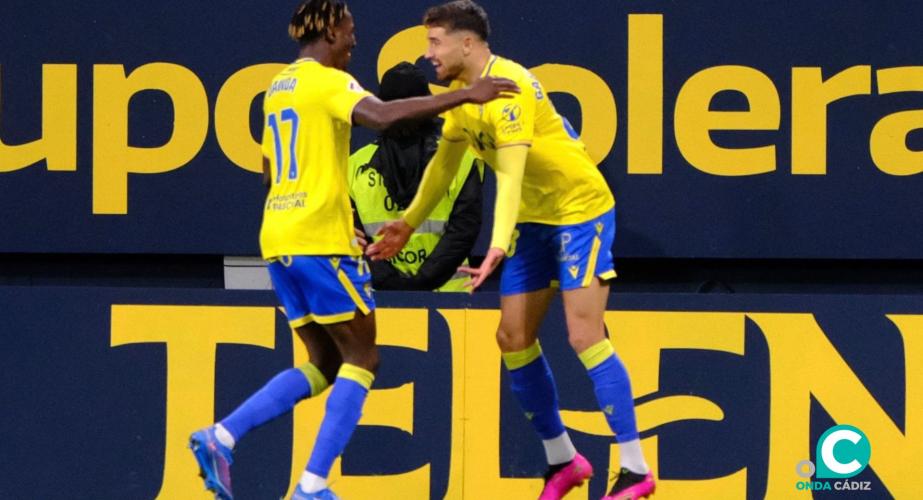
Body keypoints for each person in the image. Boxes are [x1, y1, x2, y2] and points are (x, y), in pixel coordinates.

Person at [187, 1, 518, 499]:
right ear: (330, 30)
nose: (354, 41)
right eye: (350, 30)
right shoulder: (327, 81)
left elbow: (268, 170)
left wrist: (328, 206)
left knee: (323, 362)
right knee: (364, 358)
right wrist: (467, 95)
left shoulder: (277, 87)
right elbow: (382, 116)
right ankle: (312, 486)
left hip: (278, 237)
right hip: (317, 239)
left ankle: (223, 435)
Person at [367, 1, 655, 499]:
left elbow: (512, 175)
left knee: (583, 335)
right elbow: (443, 165)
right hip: (532, 218)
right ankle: (563, 459)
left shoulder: (511, 87)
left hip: (577, 209)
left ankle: (635, 468)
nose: (427, 52)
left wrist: (497, 244)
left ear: (467, 43)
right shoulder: (462, 95)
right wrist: (409, 224)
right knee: (512, 337)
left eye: (435, 41)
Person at [348, 61, 483, 292]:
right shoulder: (462, 156)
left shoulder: (355, 165)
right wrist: (422, 284)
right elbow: (463, 232)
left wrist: (394, 286)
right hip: (450, 298)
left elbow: (357, 242)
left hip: (381, 298)